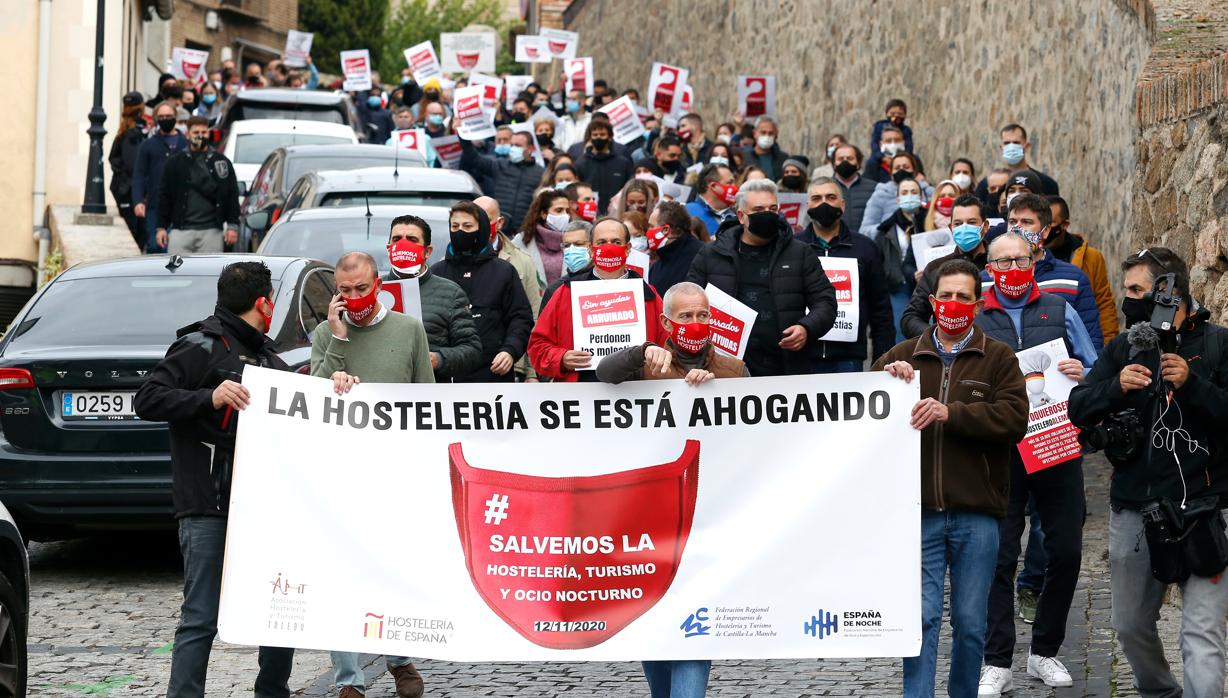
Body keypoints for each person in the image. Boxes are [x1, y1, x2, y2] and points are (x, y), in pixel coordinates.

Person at [1070, 247, 1228, 698]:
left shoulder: (1218, 343)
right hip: (1135, 511)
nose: (1128, 300)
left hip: (1206, 510)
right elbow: (1078, 407)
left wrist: (1193, 384)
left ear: (1168, 292)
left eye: (1137, 290)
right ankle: (1161, 692)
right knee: (1130, 625)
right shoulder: (1126, 347)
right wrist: (1115, 387)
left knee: (1202, 635)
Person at [133, 261, 296, 697]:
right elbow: (147, 398)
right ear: (264, 303)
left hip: (263, 509)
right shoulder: (199, 345)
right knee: (201, 616)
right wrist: (210, 396)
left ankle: (272, 692)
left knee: (280, 612)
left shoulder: (268, 358)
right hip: (208, 504)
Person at [874, 258, 1029, 698]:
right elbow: (861, 408)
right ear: (932, 300)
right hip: (917, 510)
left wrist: (952, 413)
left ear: (977, 305)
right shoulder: (903, 356)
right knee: (920, 619)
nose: (954, 304)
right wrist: (885, 380)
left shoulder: (998, 358)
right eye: (947, 296)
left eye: (964, 297)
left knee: (969, 623)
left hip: (977, 511)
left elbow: (1014, 419)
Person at [974, 231, 1096, 696]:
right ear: (988, 268)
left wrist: (1081, 373)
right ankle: (996, 659)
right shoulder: (977, 317)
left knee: (1064, 550)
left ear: (1035, 258)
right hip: (999, 450)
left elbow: (1094, 363)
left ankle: (1044, 650)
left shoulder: (1060, 310)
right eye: (1000, 263)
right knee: (998, 556)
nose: (1009, 271)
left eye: (1018, 260)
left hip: (1055, 445)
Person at [313, 252, 432, 698]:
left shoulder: (408, 329)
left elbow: (427, 401)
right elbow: (313, 394)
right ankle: (349, 678)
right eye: (345, 291)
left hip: (396, 472)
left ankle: (399, 657)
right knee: (343, 572)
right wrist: (338, 343)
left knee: (394, 569)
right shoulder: (327, 332)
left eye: (361, 288)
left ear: (378, 283)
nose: (354, 297)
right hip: (342, 473)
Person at [686, 178, 837, 377]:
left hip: (786, 369)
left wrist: (806, 328)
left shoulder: (800, 253)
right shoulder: (710, 254)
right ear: (741, 216)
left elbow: (826, 302)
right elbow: (686, 304)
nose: (767, 215)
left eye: (773, 209)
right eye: (759, 210)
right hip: (723, 370)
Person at [527, 217, 667, 382]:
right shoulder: (566, 292)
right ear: (591, 250)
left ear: (628, 249)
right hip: (581, 395)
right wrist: (562, 358)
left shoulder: (648, 295)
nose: (608, 247)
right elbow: (537, 347)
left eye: (616, 242)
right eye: (601, 242)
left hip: (636, 395)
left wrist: (655, 354)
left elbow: (669, 347)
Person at [796, 178, 894, 371]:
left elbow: (880, 309)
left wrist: (882, 360)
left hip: (848, 359)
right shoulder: (793, 247)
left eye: (830, 197)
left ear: (843, 204)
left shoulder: (865, 248)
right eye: (817, 198)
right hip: (803, 356)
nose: (824, 203)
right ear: (808, 206)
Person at [431, 202, 534, 383]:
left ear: (483, 229)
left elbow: (521, 318)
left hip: (493, 375)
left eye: (468, 226)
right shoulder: (437, 272)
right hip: (446, 378)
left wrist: (510, 351)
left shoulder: (503, 271)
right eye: (455, 226)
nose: (460, 231)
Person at [993, 194, 1104, 350]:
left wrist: (1086, 370)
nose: (1016, 229)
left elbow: (1091, 338)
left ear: (1045, 232)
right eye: (1012, 222)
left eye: (1027, 222)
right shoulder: (986, 278)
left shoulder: (1073, 279)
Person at [384, 215, 483, 383]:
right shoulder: (371, 289)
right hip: (378, 395)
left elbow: (472, 350)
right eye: (397, 239)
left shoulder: (450, 293)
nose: (403, 244)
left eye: (412, 239)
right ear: (389, 248)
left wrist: (438, 359)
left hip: (429, 396)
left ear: (427, 251)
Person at [901, 194, 990, 338]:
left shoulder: (999, 265)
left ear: (984, 227)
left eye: (972, 222)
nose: (964, 228)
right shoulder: (935, 268)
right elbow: (911, 318)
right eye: (958, 224)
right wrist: (939, 338)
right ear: (951, 228)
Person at [155, 116, 240, 254]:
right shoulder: (175, 162)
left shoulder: (221, 162)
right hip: (180, 230)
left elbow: (231, 195)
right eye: (196, 132)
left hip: (212, 230)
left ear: (208, 133)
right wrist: (161, 227)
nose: (200, 136)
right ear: (188, 134)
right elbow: (164, 196)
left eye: (204, 132)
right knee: (176, 272)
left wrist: (232, 226)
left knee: (209, 273)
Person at [1047, 195, 1118, 342]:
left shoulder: (1091, 257)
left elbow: (1104, 304)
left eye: (1051, 222)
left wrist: (1109, 345)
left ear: (1064, 225)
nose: (1046, 229)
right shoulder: (1028, 258)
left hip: (1082, 339)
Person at [460, 130, 544, 233]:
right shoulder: (500, 165)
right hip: (499, 229)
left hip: (524, 232)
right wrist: (462, 133)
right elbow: (474, 158)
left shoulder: (541, 173)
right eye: (512, 145)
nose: (513, 148)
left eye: (518, 145)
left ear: (531, 149)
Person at [132, 102, 187, 253]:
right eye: (161, 116)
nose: (165, 119)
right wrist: (138, 200)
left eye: (168, 116)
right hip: (155, 206)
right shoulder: (147, 145)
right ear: (156, 119)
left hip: (182, 207)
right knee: (155, 247)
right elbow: (139, 174)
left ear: (175, 117)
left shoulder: (186, 144)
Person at [875, 176, 925, 342]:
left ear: (921, 197)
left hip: (925, 285)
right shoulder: (886, 229)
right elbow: (879, 260)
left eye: (913, 192)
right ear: (898, 198)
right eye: (904, 192)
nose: (909, 195)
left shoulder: (929, 223)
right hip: (898, 286)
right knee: (901, 333)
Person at [859, 152, 934, 240]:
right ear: (891, 173)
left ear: (914, 172)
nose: (901, 170)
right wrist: (888, 229)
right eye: (897, 168)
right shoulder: (880, 195)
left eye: (906, 167)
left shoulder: (928, 192)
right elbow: (864, 231)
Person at [974, 123, 1060, 200]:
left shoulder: (1046, 183)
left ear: (1026, 147)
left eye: (1016, 142)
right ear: (1001, 148)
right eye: (1007, 143)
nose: (1011, 147)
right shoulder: (989, 184)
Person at [109, 91, 149, 249]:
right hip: (130, 193)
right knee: (137, 235)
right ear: (141, 109)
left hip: (126, 191)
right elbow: (134, 166)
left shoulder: (124, 132)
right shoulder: (132, 134)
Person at [513, 189, 573, 288]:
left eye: (567, 211)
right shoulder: (521, 241)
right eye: (559, 210)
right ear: (543, 214)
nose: (565, 216)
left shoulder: (576, 240)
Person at [574, 119, 634, 215]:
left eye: (602, 135)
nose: (598, 138)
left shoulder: (623, 163)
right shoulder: (580, 163)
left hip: (617, 213)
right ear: (590, 137)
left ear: (610, 137)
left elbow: (629, 187)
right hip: (589, 214)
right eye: (595, 135)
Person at [648, 200, 705, 296]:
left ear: (665, 230)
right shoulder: (658, 263)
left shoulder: (702, 255)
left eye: (651, 226)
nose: (648, 231)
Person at [539, 220, 594, 310]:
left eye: (578, 244)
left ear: (592, 246)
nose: (571, 249)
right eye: (567, 245)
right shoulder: (554, 290)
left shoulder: (604, 282)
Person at [830, 144, 877, 233]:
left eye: (850, 158)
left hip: (865, 242)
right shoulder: (825, 188)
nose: (845, 162)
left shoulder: (874, 188)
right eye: (840, 159)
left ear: (858, 163)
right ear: (834, 164)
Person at [685, 163, 736, 237]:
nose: (735, 187)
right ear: (714, 186)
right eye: (729, 183)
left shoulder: (739, 213)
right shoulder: (687, 212)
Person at [738, 116, 787, 181]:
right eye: (763, 132)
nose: (767, 136)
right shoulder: (744, 157)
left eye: (770, 133)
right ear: (754, 133)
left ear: (776, 135)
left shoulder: (783, 159)